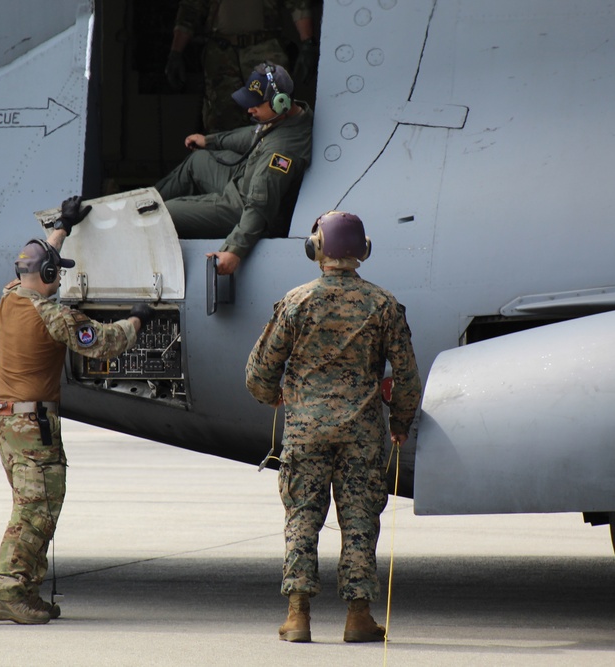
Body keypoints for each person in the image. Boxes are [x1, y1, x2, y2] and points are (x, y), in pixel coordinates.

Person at [245, 211, 422, 643]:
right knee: (360, 521)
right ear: (363, 251)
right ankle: (358, 617)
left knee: (302, 518)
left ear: (317, 249)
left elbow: (259, 372)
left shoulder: (296, 301)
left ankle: (298, 616)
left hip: (305, 432)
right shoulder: (382, 305)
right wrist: (400, 421)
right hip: (362, 434)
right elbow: (406, 375)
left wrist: (275, 397)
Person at [0, 196, 155, 625]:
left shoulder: (10, 296)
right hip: (29, 420)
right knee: (34, 508)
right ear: (45, 275)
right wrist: (138, 319)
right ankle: (6, 592)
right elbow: (105, 342)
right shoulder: (53, 315)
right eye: (55, 272)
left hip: (10, 418)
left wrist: (62, 227)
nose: (59, 279)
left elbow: (39, 262)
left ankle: (26, 591)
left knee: (41, 502)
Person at [156, 62, 313, 276]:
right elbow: (253, 134)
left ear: (280, 103)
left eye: (256, 104)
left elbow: (259, 206)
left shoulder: (281, 152)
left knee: (165, 214)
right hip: (244, 179)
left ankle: (143, 216)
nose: (250, 109)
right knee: (198, 161)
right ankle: (140, 204)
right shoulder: (288, 117)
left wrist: (235, 250)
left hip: (240, 208)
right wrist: (209, 141)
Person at [164, 0, 317, 133]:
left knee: (275, 119)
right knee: (223, 120)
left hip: (264, 48)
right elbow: (190, 10)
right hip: (222, 54)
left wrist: (307, 43)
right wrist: (176, 53)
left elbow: (298, 4)